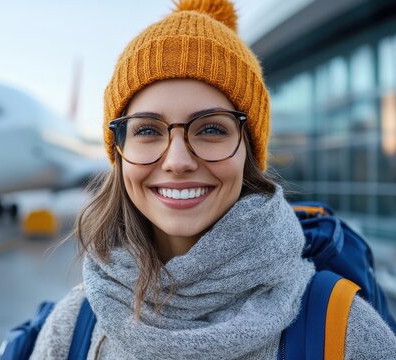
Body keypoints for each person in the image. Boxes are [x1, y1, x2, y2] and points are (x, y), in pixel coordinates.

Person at [30, 0, 396, 359]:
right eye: (146, 131)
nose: (177, 161)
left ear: (248, 152)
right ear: (119, 152)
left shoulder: (344, 332)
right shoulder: (72, 326)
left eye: (210, 128)